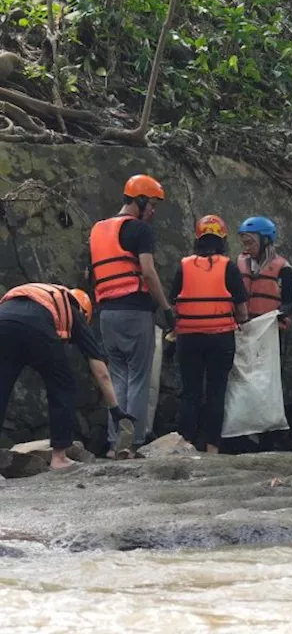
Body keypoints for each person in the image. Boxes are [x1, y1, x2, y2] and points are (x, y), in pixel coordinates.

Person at [88, 174, 175, 456]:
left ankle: (116, 442)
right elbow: (148, 272)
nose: (153, 210)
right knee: (138, 377)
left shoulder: (98, 230)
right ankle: (133, 441)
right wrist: (166, 308)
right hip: (135, 311)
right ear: (138, 200)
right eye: (151, 204)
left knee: (117, 376)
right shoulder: (140, 230)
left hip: (107, 314)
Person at [0, 283, 120, 467]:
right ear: (83, 309)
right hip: (37, 330)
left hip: (3, 323)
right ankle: (59, 457)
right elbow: (100, 370)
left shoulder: (40, 295)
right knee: (63, 387)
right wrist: (115, 408)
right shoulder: (75, 313)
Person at [171, 215, 249, 454]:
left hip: (189, 337)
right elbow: (242, 310)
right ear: (223, 240)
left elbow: (175, 303)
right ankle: (212, 448)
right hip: (221, 338)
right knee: (216, 392)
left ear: (198, 239)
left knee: (190, 392)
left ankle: (185, 444)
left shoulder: (184, 266)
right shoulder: (229, 266)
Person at [237, 216, 292, 329]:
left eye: (250, 243)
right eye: (244, 244)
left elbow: (290, 303)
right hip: (244, 328)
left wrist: (280, 314)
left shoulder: (284, 268)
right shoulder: (239, 264)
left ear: (264, 240)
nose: (247, 248)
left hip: (270, 328)